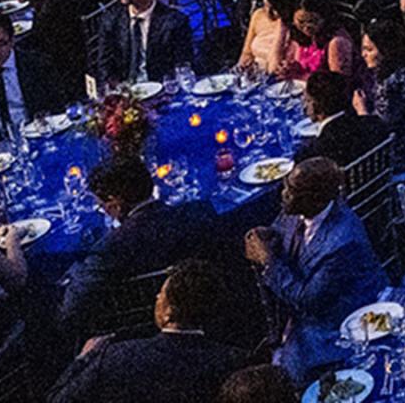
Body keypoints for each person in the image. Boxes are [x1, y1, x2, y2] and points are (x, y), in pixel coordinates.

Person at [246, 157, 384, 384]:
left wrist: (269, 261)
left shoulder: (342, 241)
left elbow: (308, 300)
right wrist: (264, 237)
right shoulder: (297, 208)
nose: (284, 195)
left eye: (293, 191)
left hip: (342, 320)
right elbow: (279, 233)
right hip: (302, 313)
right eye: (286, 186)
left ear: (317, 199)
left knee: (282, 381)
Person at [59, 155, 218, 338]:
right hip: (208, 310)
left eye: (102, 206)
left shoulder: (112, 247)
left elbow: (71, 313)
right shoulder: (199, 212)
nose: (103, 211)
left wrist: (71, 273)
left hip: (137, 330)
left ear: (114, 203)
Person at [48, 260, 245, 403]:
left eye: (160, 297)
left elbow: (57, 399)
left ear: (168, 311)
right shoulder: (235, 362)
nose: (156, 298)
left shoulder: (114, 358)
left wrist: (82, 359)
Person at [99, 0, 195, 84]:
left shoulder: (175, 21)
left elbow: (183, 65)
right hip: (126, 91)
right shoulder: (111, 19)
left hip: (161, 89)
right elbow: (104, 65)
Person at [354, 18, 405, 173]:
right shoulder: (399, 71)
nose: (363, 54)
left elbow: (379, 129)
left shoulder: (393, 83)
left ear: (386, 50)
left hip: (402, 153)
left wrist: (361, 110)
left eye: (369, 50)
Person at [295, 68, 391, 167]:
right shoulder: (373, 123)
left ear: (316, 106)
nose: (304, 106)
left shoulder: (316, 151)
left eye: (307, 100)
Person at [291, 0, 359, 79]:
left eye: (312, 21)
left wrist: (300, 76)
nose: (306, 27)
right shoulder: (308, 37)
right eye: (301, 22)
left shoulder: (337, 42)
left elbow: (338, 83)